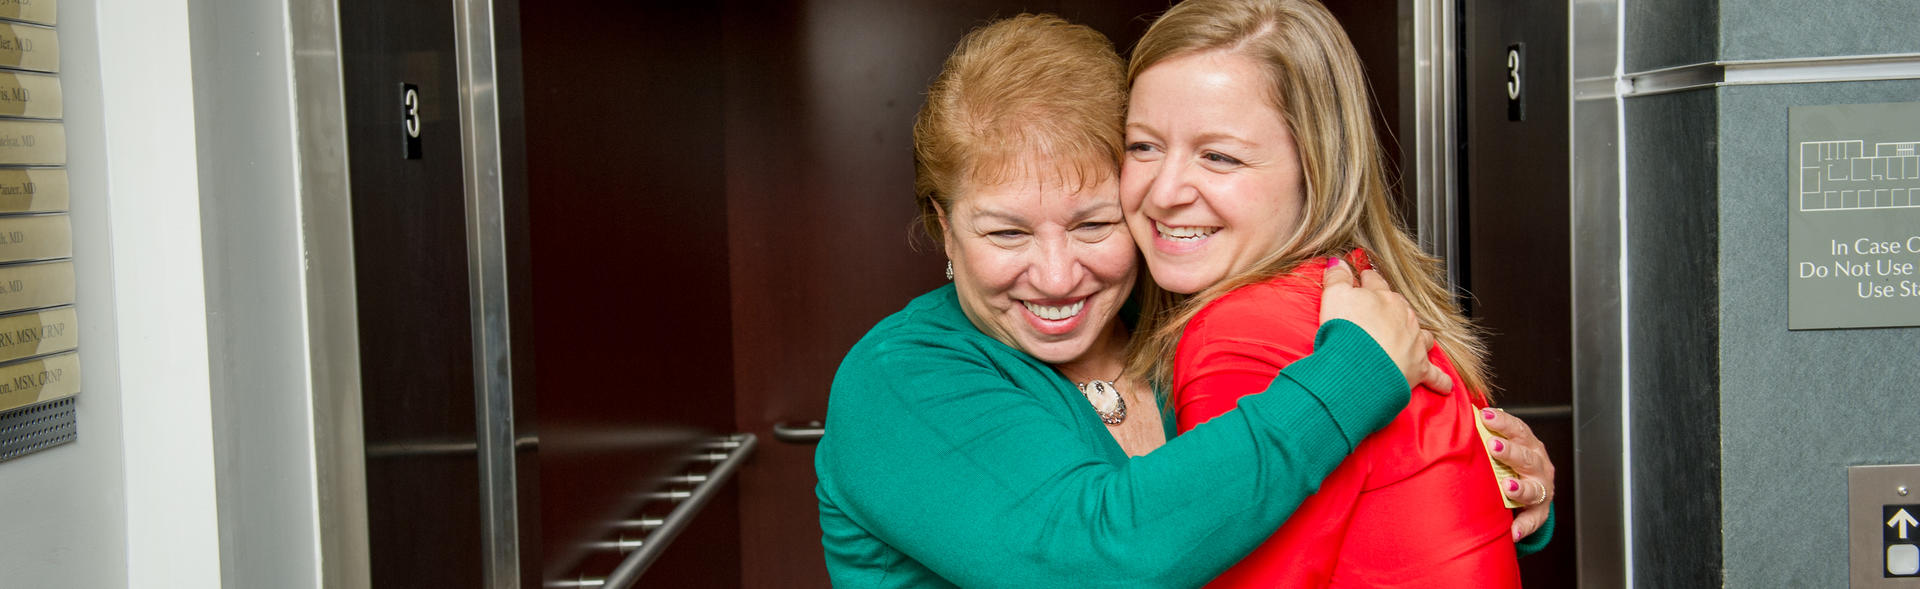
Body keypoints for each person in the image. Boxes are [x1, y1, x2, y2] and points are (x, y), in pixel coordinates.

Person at [815, 13, 1553, 588]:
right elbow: (1094, 561)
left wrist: (1492, 489)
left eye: (1094, 223)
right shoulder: (899, 379)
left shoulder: (1185, 332)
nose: (1055, 273)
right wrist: (1345, 382)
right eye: (1006, 231)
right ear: (945, 228)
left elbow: (1307, 519)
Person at [1119, 0, 1549, 586]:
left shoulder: (1239, 331)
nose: (1164, 191)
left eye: (1219, 156)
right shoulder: (1360, 295)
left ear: (1315, 167)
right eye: (1142, 146)